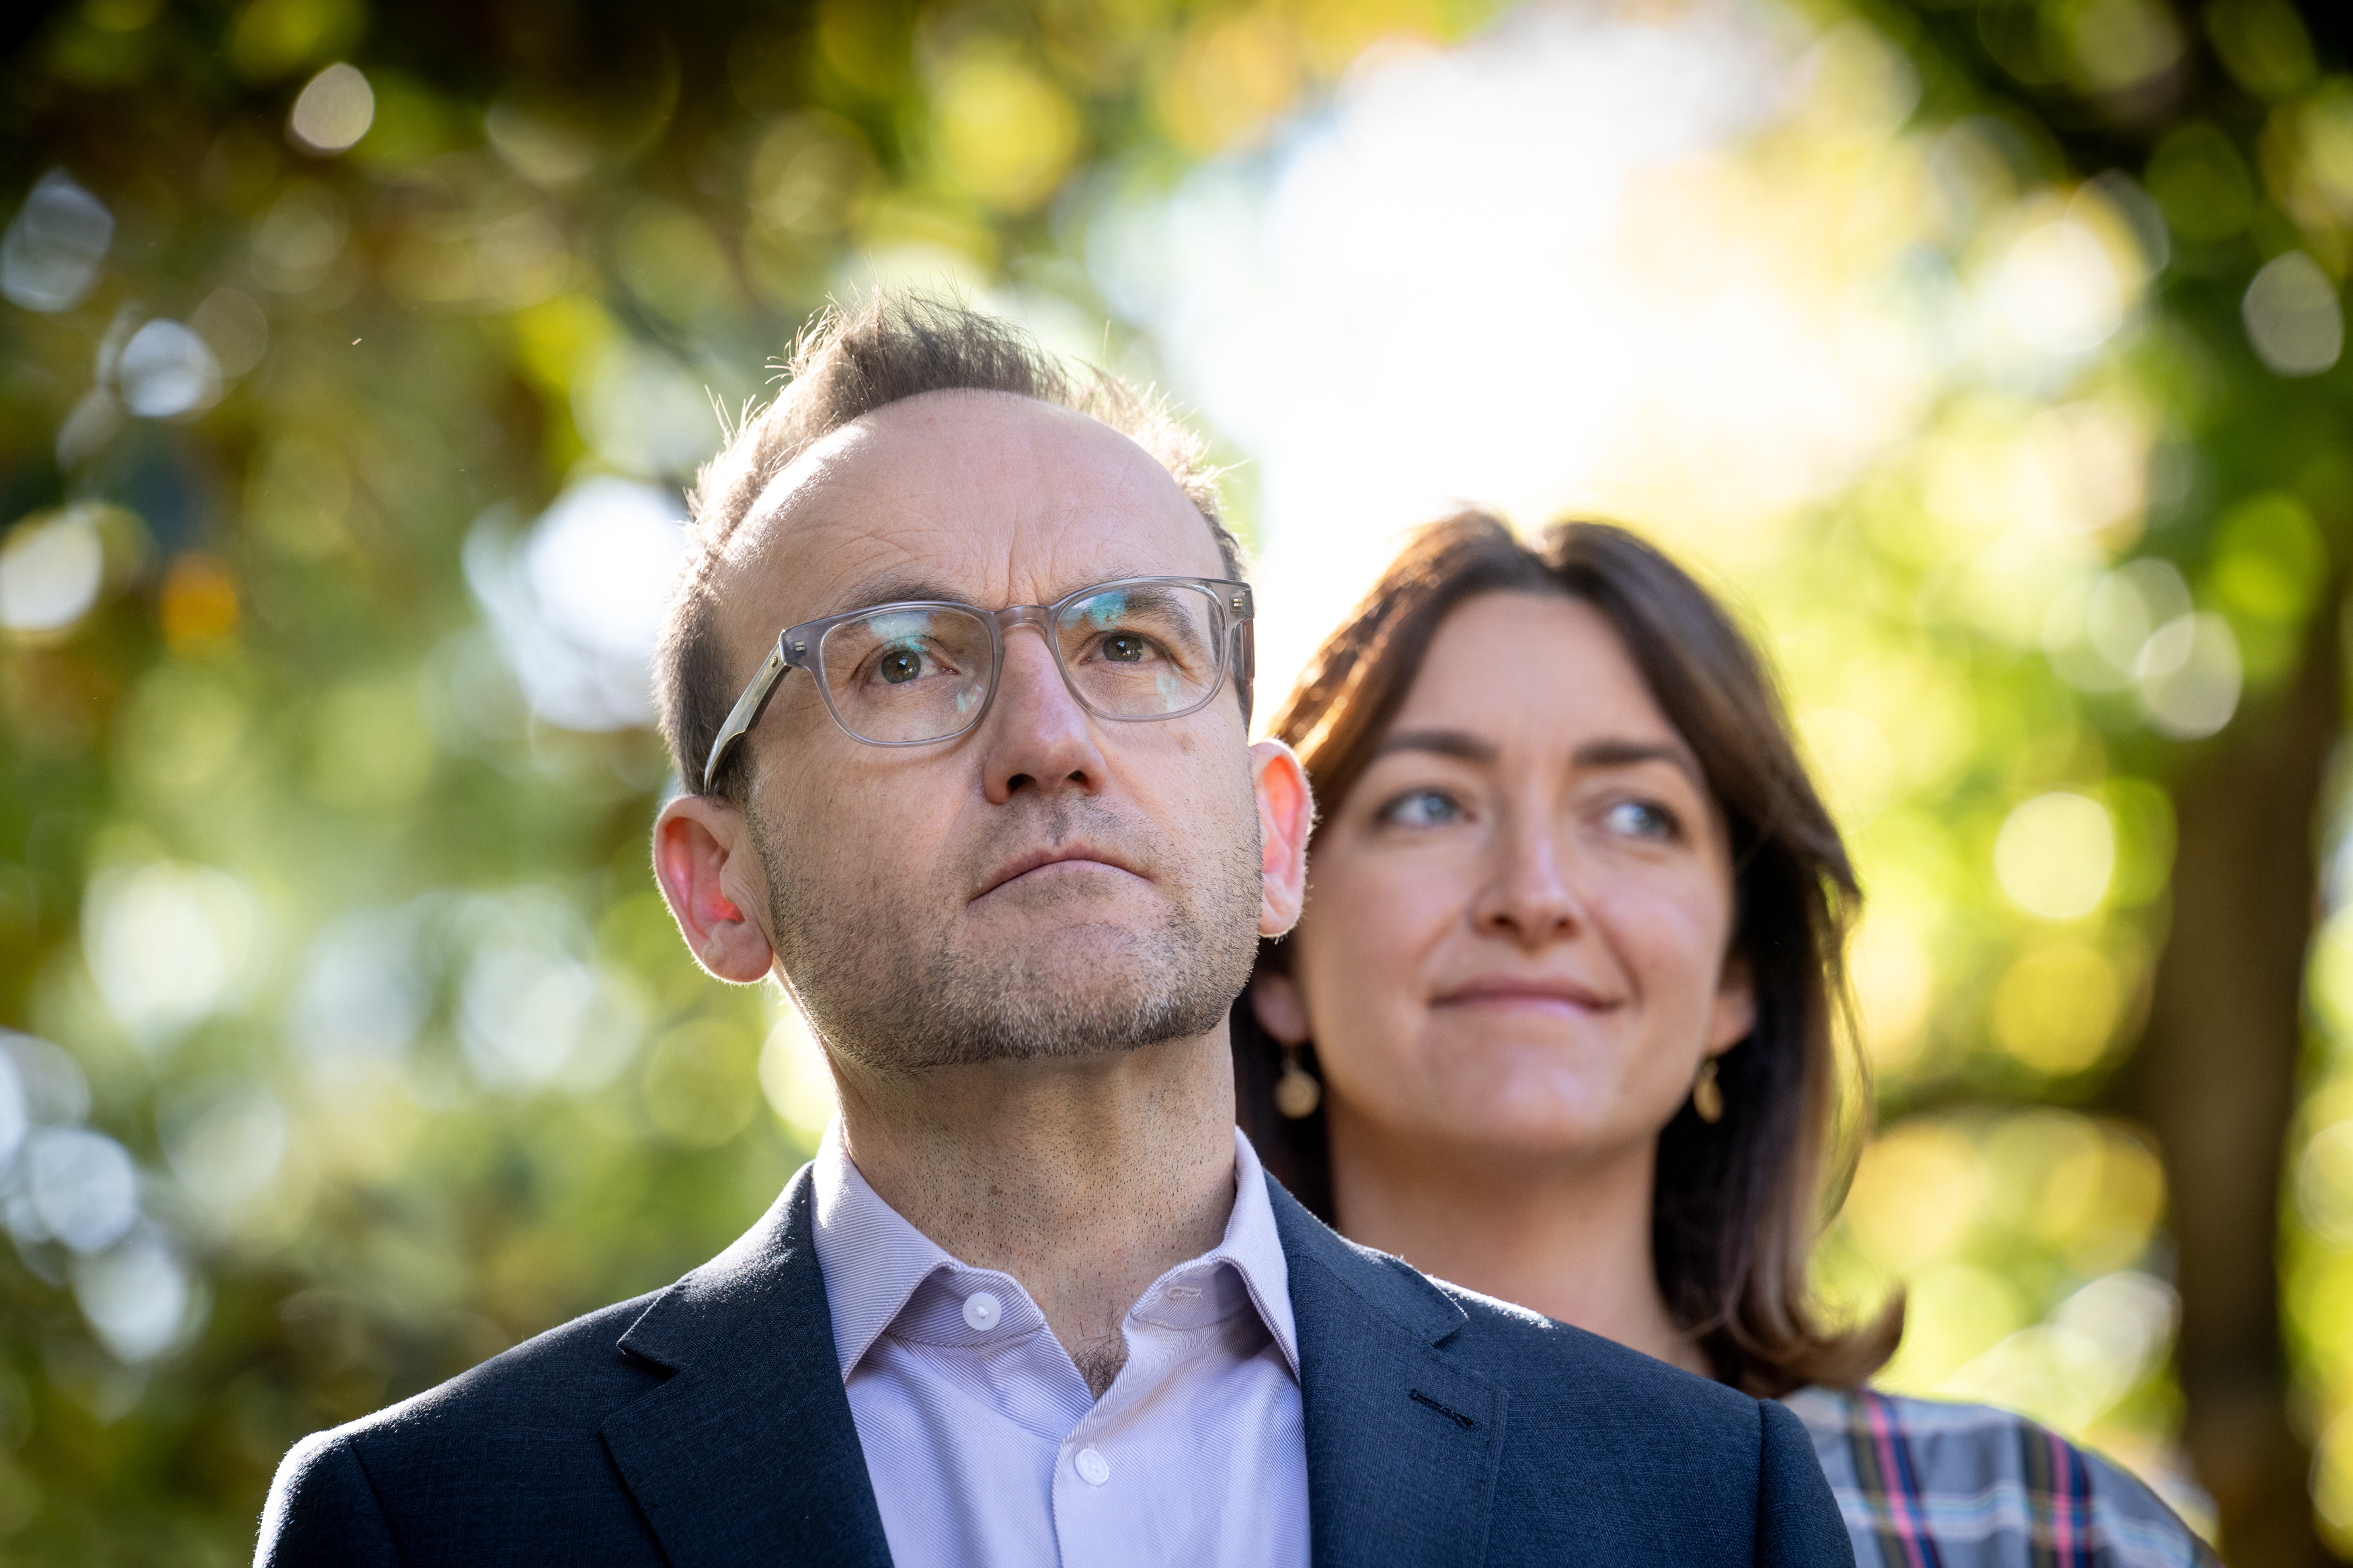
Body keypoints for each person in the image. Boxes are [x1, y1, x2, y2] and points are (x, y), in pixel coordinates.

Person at [253, 298, 1853, 1565]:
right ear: (715, 884)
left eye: (1131, 641)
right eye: (899, 662)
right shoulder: (433, 1525)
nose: (1048, 735)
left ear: (1273, 835)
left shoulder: (1703, 1504)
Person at [1238, 512, 2218, 1568]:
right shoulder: (1141, 1501)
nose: (1535, 894)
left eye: (1635, 815)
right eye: (1431, 803)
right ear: (1279, 948)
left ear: (1737, 977)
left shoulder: (2040, 1532)